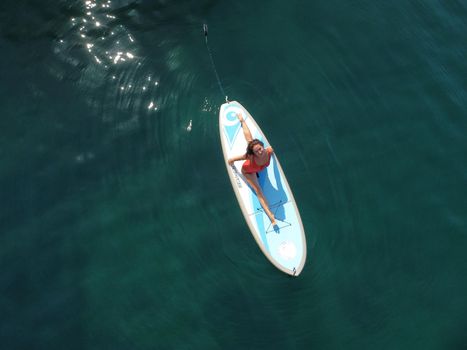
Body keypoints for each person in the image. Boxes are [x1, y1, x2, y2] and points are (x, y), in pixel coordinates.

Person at [228, 112, 277, 226]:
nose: (260, 152)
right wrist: (231, 162)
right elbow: (232, 160)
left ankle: (242, 121)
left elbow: (252, 141)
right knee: (258, 190)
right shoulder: (250, 156)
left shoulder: (268, 151)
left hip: (259, 168)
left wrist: (242, 120)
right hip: (249, 171)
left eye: (260, 148)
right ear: (253, 153)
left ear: (262, 146)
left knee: (250, 140)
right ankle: (271, 216)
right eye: (257, 151)